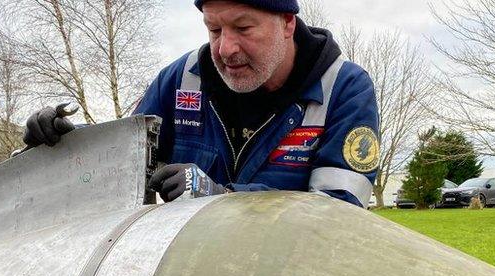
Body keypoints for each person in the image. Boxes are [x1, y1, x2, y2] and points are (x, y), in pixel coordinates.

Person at [22, 0, 380, 207]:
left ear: (287, 22)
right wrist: (70, 142)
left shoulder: (344, 89)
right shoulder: (182, 79)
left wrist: (222, 198)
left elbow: (339, 214)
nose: (226, 49)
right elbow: (126, 162)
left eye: (243, 28)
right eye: (214, 30)